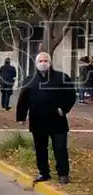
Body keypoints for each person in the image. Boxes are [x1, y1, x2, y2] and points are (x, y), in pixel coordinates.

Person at [16, 52, 75, 184]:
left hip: (57, 120)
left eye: (45, 60)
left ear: (50, 62)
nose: (43, 63)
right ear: (36, 63)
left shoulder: (62, 77)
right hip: (38, 120)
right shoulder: (29, 79)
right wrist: (21, 116)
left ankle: (63, 174)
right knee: (40, 149)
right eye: (40, 61)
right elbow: (23, 99)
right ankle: (43, 172)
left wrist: (64, 109)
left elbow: (71, 95)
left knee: (60, 148)